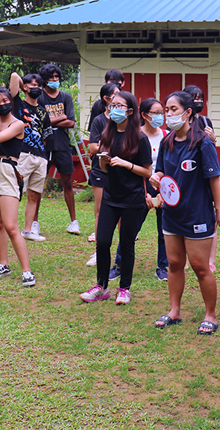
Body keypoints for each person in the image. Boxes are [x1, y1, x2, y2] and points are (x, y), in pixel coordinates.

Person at [150, 92, 220, 333]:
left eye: (173, 109)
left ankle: (211, 315)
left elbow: (214, 179)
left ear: (188, 112)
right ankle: (175, 311)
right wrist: (156, 178)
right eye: (166, 110)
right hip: (172, 214)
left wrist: (218, 210)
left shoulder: (203, 143)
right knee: (174, 264)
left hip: (198, 215)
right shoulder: (166, 142)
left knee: (200, 267)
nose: (168, 115)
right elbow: (161, 173)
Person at [80, 91, 152, 305]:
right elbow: (105, 167)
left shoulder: (140, 138)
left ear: (130, 111)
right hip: (110, 196)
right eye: (113, 105)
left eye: (120, 106)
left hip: (132, 199)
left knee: (127, 243)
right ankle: (101, 287)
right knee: (102, 241)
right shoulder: (107, 134)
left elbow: (147, 171)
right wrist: (104, 160)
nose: (114, 109)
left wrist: (126, 164)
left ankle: (125, 289)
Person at [0, 87, 36, 287]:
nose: (1, 105)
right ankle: (4, 264)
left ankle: (27, 271)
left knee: (11, 226)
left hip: (8, 172)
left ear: (11, 101)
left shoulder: (17, 124)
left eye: (4, 101)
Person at [110, 98, 169, 281]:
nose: (160, 116)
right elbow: (133, 168)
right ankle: (119, 264)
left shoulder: (167, 136)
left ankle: (163, 266)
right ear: (143, 115)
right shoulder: (134, 136)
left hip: (162, 188)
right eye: (155, 113)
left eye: (162, 113)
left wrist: (161, 191)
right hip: (139, 189)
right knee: (131, 228)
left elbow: (168, 165)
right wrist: (145, 193)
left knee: (165, 230)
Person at [36, 63, 79, 235]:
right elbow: (38, 122)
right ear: (45, 79)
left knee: (67, 183)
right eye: (51, 77)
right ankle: (34, 223)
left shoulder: (66, 97)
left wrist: (50, 120)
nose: (55, 80)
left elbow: (71, 122)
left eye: (57, 77)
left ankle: (73, 222)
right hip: (44, 146)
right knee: (38, 183)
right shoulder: (39, 97)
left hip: (62, 145)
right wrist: (60, 117)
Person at [9, 71, 52, 242]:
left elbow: (47, 137)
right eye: (33, 85)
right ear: (25, 87)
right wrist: (24, 85)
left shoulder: (43, 112)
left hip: (40, 157)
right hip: (23, 155)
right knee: (13, 192)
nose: (37, 88)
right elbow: (13, 76)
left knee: (34, 195)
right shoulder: (18, 105)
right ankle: (5, 230)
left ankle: (28, 231)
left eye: (39, 85)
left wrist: (44, 158)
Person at [183, 84, 219, 272]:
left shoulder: (205, 121)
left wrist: (213, 138)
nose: (198, 101)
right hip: (186, 177)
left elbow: (212, 148)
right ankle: (190, 258)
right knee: (187, 217)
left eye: (201, 98)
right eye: (194, 98)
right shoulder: (178, 122)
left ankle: (210, 260)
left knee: (210, 217)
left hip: (205, 175)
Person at [85, 82, 120, 263]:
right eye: (115, 94)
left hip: (121, 171)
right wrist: (115, 149)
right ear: (106, 99)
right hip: (100, 170)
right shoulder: (99, 120)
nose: (119, 96)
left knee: (122, 212)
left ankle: (121, 254)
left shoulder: (125, 121)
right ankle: (99, 251)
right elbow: (93, 147)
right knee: (100, 211)